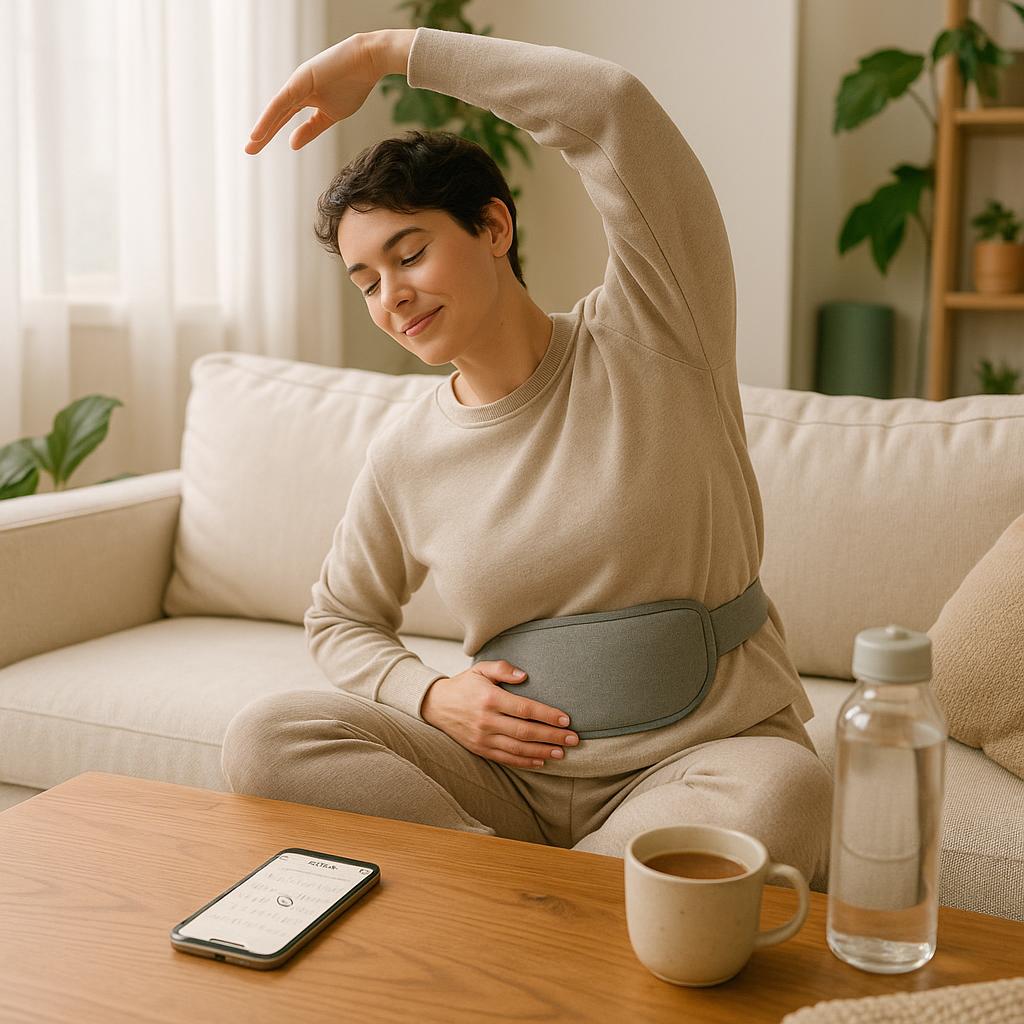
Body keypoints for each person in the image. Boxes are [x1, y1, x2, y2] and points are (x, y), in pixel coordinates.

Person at [221, 26, 833, 889]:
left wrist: (384, 54)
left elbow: (612, 110)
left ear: (494, 226)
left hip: (701, 761)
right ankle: (538, 895)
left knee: (788, 792)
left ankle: (511, 905)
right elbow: (341, 620)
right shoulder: (407, 450)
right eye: (365, 282)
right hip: (502, 787)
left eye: (410, 253)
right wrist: (432, 697)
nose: (392, 297)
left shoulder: (657, 328)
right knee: (268, 734)